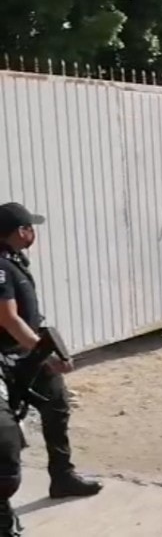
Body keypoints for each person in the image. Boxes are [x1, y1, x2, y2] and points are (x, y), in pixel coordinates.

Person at [0, 203, 103, 535]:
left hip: (29, 352)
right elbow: (8, 319)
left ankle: (62, 476)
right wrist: (41, 351)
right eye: (30, 227)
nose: (34, 233)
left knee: (57, 406)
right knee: (7, 436)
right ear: (21, 231)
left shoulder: (12, 260)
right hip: (11, 358)